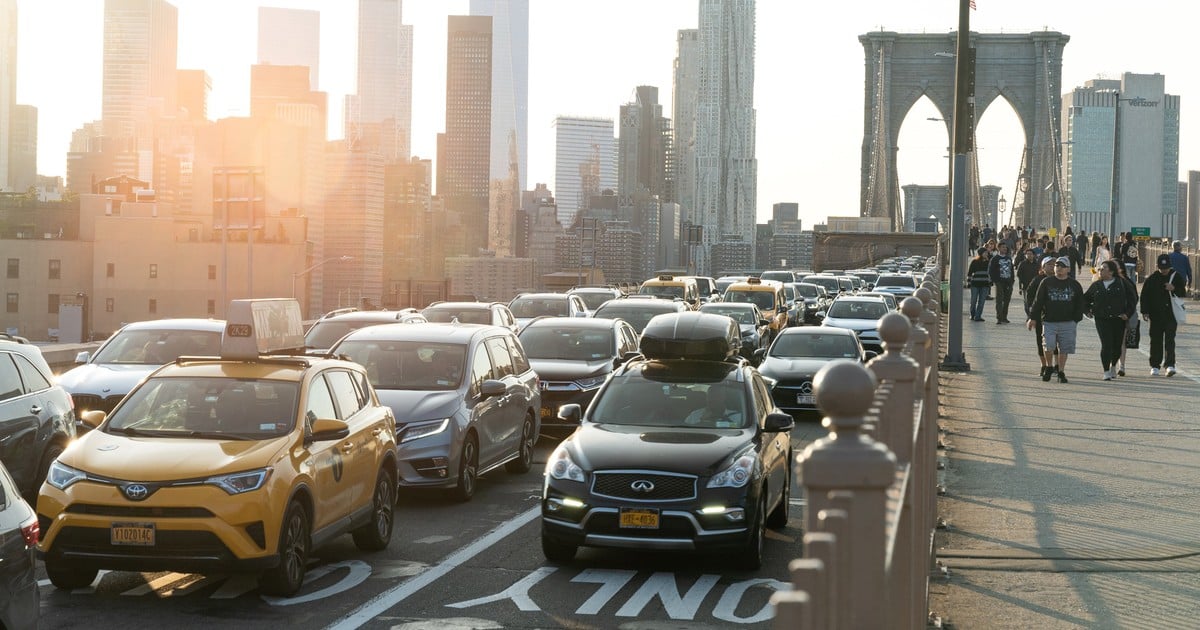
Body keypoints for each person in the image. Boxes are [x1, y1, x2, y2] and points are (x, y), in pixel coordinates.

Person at [1027, 257, 1085, 383]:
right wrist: (1032, 317)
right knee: (1048, 345)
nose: (1059, 268)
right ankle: (1049, 366)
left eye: (1062, 266)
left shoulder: (1074, 285)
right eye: (1057, 266)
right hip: (1049, 321)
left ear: (1068, 269)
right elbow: (1038, 301)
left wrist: (1076, 319)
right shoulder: (1046, 282)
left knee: (1064, 348)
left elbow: (1080, 303)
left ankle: (1061, 371)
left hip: (1068, 321)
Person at [1083, 260, 1137, 380]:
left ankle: (1113, 365)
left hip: (1118, 319)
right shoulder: (1096, 285)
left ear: (1111, 271)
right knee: (1106, 344)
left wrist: (1127, 314)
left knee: (1117, 345)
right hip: (1102, 319)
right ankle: (1106, 371)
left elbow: (1132, 300)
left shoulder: (1122, 283)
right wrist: (1088, 310)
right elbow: (1085, 299)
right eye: (1100, 269)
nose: (1100, 271)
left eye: (1103, 269)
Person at [1140, 253, 1188, 376]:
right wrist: (1145, 311)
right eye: (1161, 268)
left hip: (1171, 314)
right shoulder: (1152, 278)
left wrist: (1174, 288)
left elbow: (1183, 292)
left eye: (1166, 268)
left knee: (1170, 340)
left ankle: (1170, 365)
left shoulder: (1176, 276)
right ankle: (1155, 365)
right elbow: (1144, 296)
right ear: (1157, 267)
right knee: (1155, 340)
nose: (1164, 271)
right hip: (1155, 315)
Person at [1024, 256, 1058, 376]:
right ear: (1043, 267)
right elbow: (1029, 297)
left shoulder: (1060, 279)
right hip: (1040, 316)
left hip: (1056, 315)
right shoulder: (1037, 280)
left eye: (1054, 264)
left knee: (1057, 341)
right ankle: (1044, 365)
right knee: (1041, 340)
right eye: (1049, 264)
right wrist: (1031, 314)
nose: (1052, 267)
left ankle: (1057, 365)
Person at [1113, 262, 1139, 376]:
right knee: (1111, 342)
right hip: (1108, 316)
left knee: (1121, 341)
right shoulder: (1104, 281)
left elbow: (1134, 298)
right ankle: (1112, 365)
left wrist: (1127, 313)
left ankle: (1121, 366)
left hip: (1122, 315)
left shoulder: (1127, 282)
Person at [988, 241, 1016, 323]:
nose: (1005, 248)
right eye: (1003, 247)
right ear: (999, 248)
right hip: (999, 282)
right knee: (999, 300)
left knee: (1007, 300)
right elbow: (991, 271)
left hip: (1008, 282)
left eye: (1005, 247)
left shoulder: (1008, 258)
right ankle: (999, 317)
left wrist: (1012, 280)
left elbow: (1011, 270)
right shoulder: (995, 259)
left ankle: (1004, 317)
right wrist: (994, 280)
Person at [967, 247, 991, 322]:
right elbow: (970, 273)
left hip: (985, 284)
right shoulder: (975, 262)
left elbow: (990, 273)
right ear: (981, 253)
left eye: (987, 253)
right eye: (985, 253)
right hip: (975, 284)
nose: (986, 254)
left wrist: (990, 282)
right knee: (973, 300)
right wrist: (969, 283)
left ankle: (978, 316)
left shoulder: (988, 262)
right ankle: (972, 314)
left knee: (982, 301)